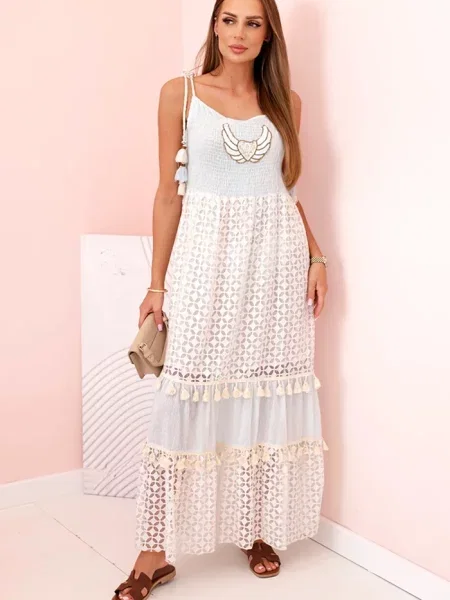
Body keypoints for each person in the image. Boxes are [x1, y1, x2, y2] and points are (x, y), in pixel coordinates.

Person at [112, 0, 328, 598]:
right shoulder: (178, 93)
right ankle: (153, 554)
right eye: (229, 19)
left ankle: (256, 527)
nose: (239, 33)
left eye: (253, 23)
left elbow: (285, 192)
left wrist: (316, 256)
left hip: (275, 267)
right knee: (185, 395)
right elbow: (168, 194)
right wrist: (156, 285)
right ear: (214, 24)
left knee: (262, 394)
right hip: (205, 263)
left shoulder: (287, 105)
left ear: (268, 34)